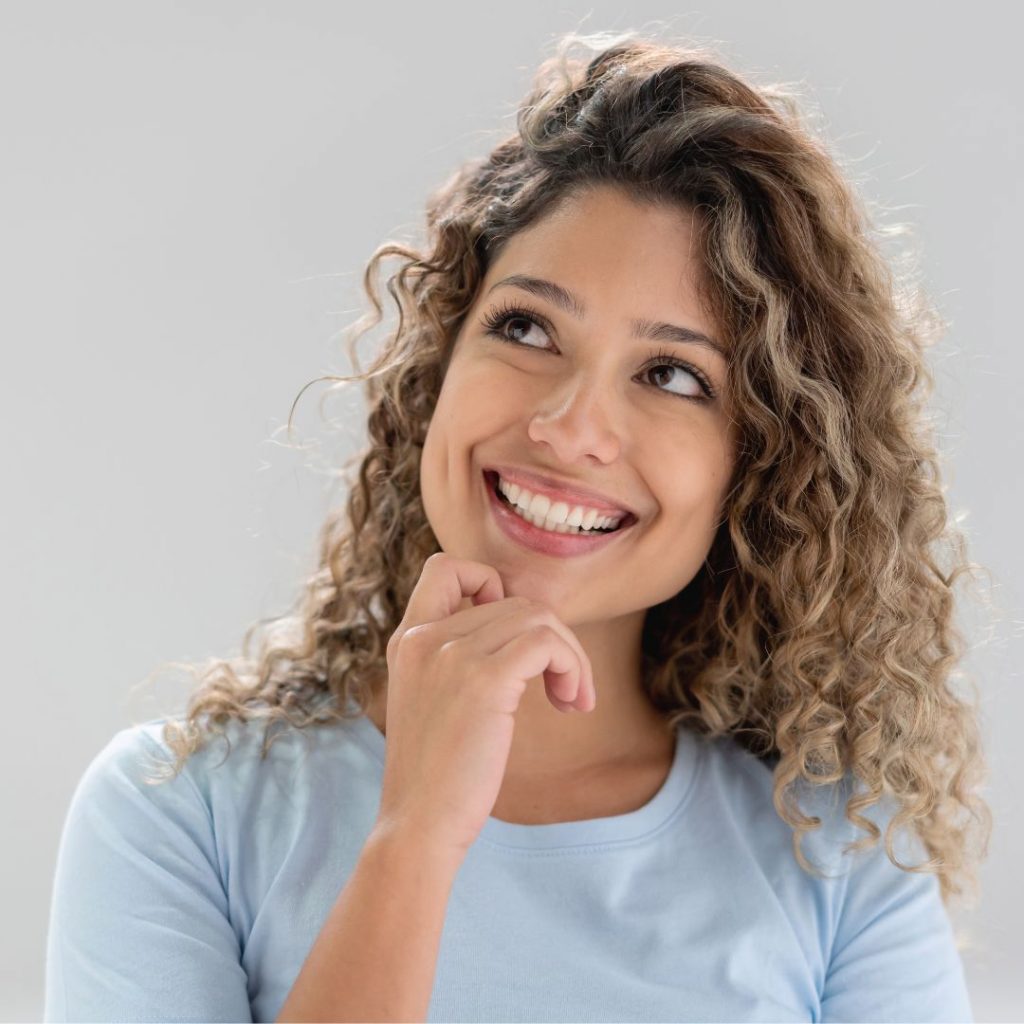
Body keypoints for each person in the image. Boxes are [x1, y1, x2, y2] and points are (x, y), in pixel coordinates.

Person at [44, 29, 992, 1023]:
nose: (569, 428)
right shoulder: (178, 807)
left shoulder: (837, 859)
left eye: (671, 374)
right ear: (439, 365)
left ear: (758, 464)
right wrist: (414, 837)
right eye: (528, 327)